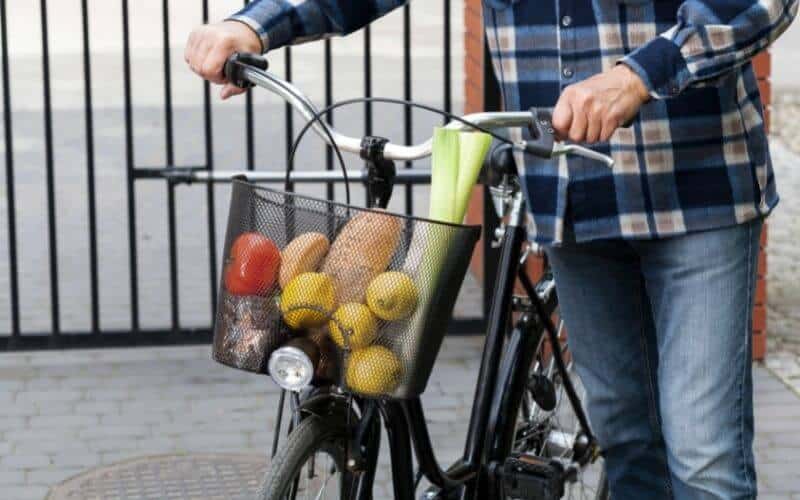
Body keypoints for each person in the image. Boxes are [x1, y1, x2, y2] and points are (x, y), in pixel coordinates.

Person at [185, 1, 797, 498]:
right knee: (627, 437)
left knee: (702, 456)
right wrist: (254, 23)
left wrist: (637, 74)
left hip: (697, 193)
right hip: (571, 194)